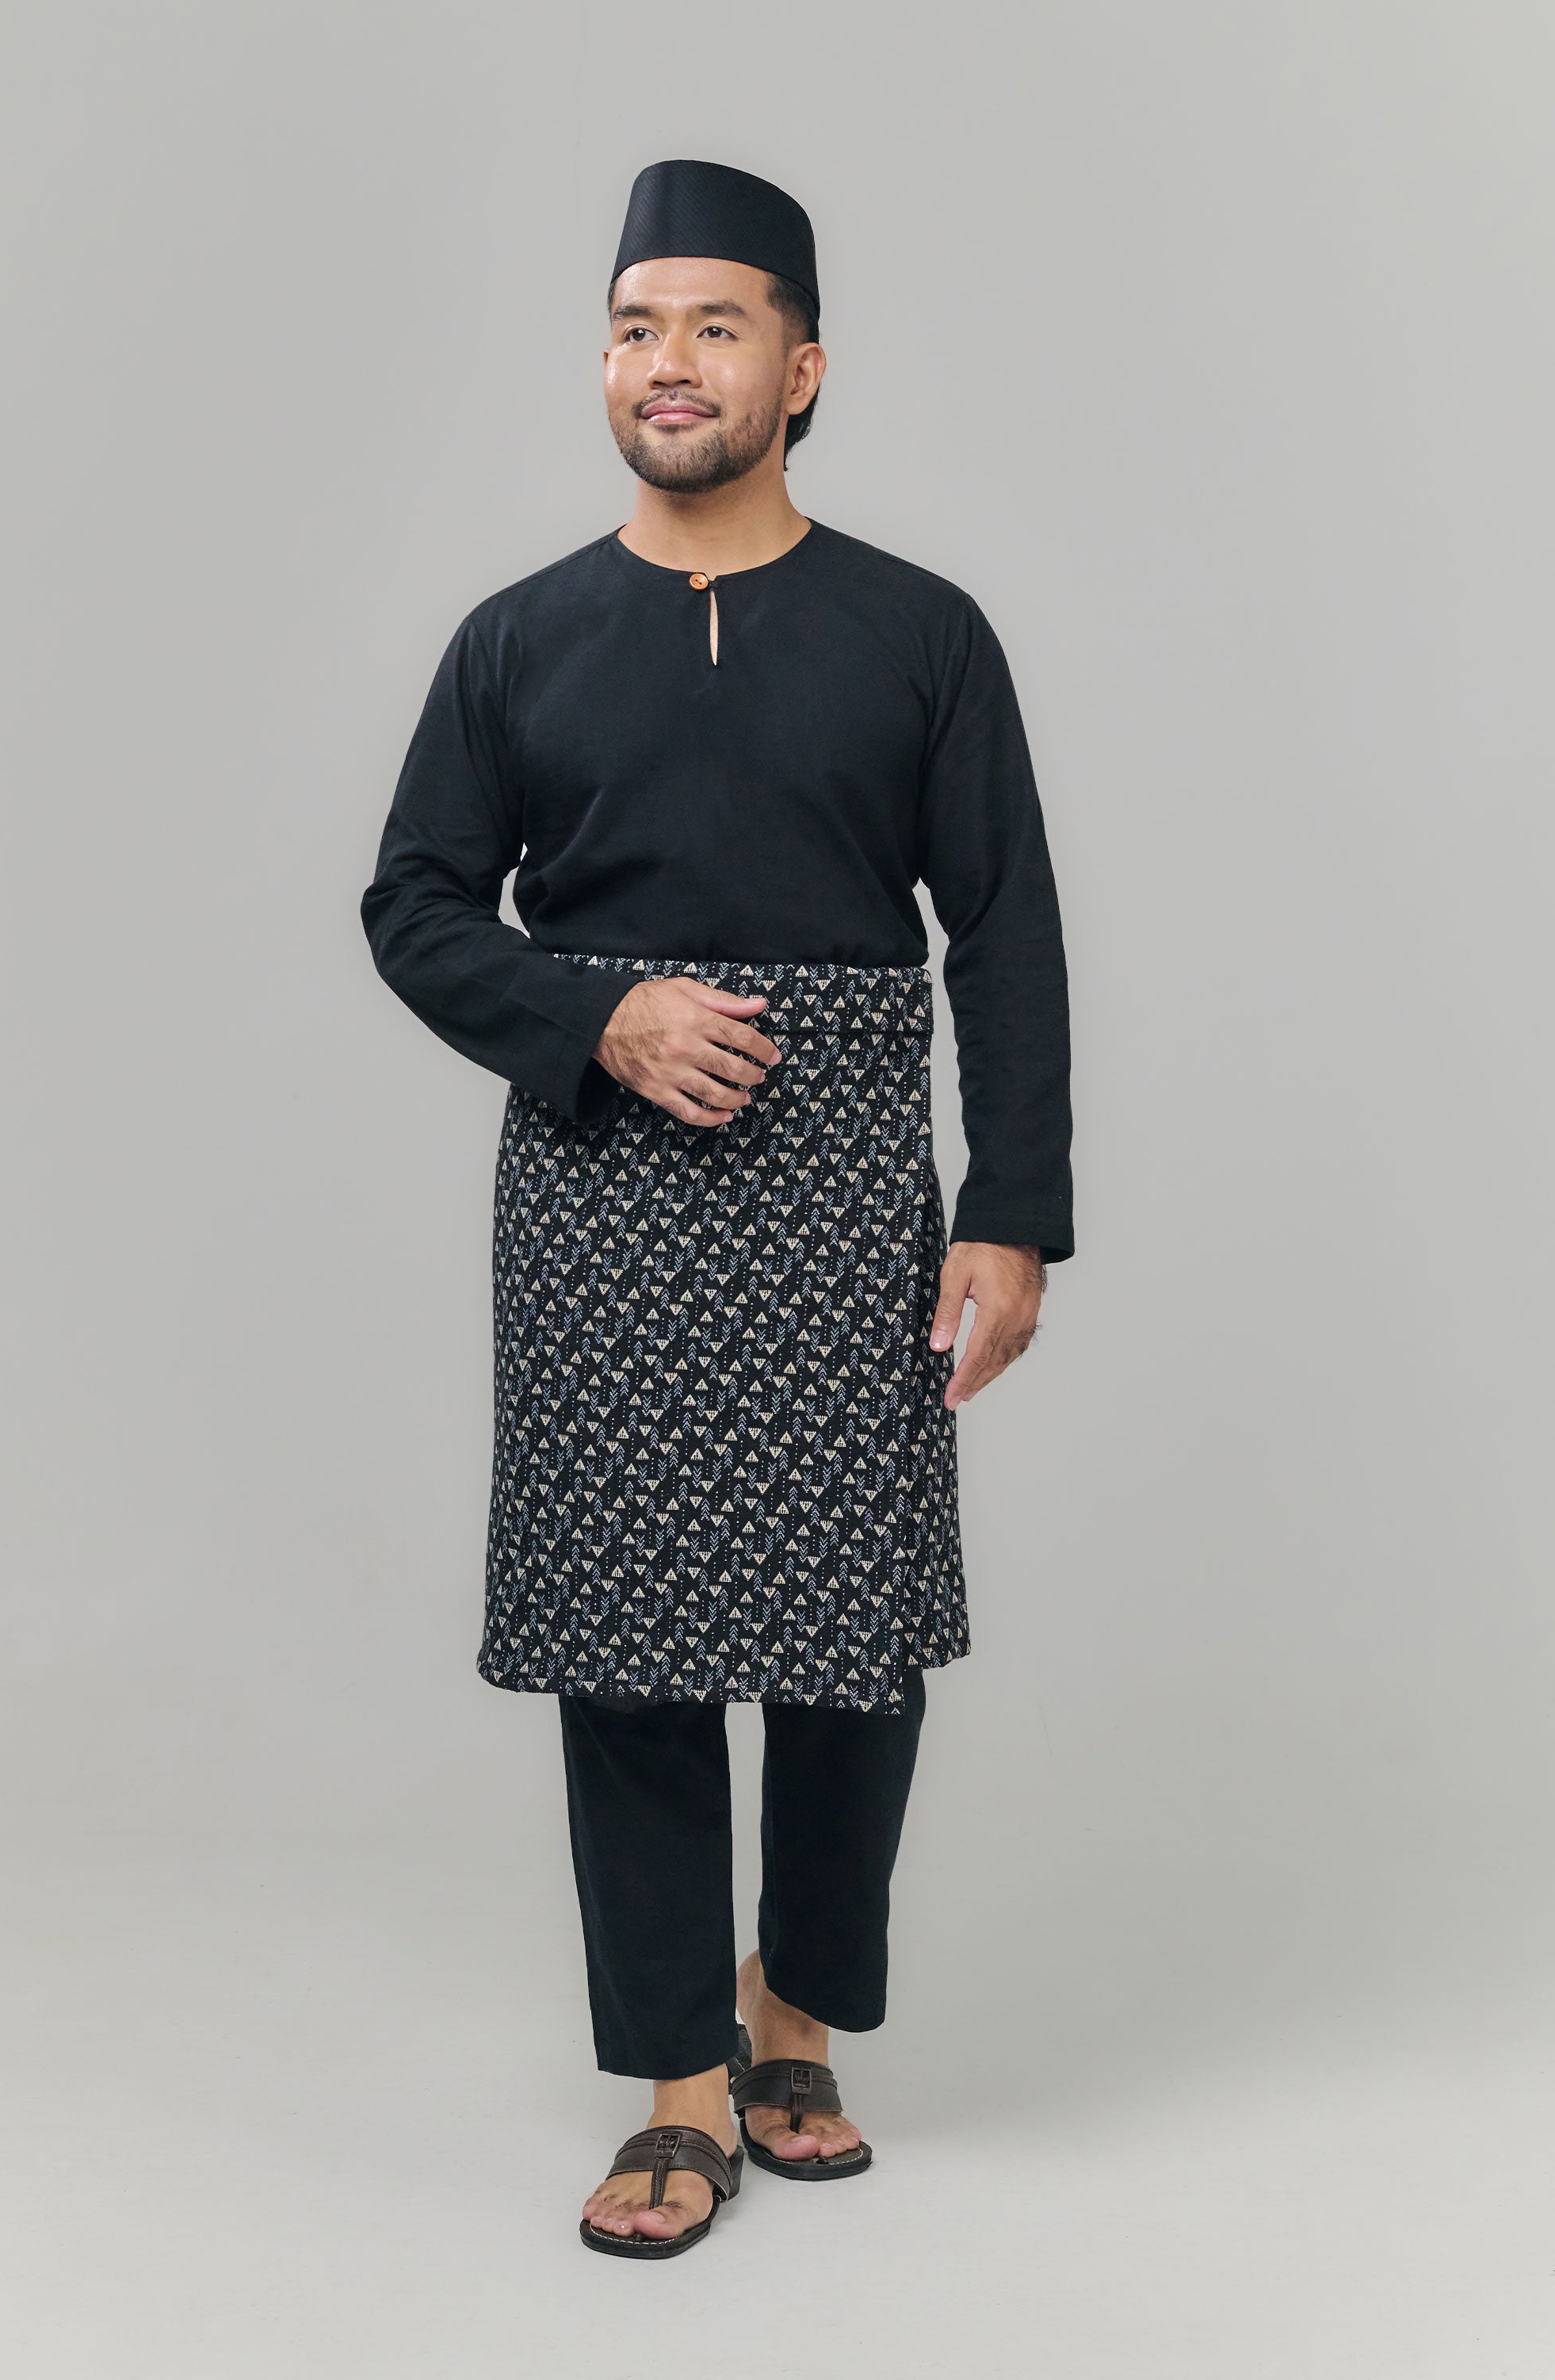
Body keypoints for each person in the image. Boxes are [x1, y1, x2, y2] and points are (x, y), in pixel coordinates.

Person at [361, 158, 1072, 2260]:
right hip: (604, 1186)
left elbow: (1004, 927)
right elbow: (413, 904)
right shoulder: (517, 641)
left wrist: (1012, 1207)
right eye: (633, 328)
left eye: (713, 326)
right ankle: (678, 2084)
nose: (664, 364)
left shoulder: (923, 632)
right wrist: (597, 1014)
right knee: (632, 1649)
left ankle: (794, 2021)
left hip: (852, 1177)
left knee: (854, 1645)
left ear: (803, 369)